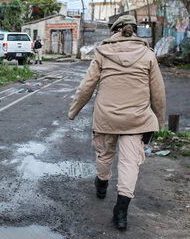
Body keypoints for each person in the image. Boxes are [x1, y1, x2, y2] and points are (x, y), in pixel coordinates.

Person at [68, 15, 166, 230]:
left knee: (104, 154)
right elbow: (158, 93)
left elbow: (87, 86)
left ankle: (102, 185)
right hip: (138, 120)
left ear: (114, 32)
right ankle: (121, 212)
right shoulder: (148, 55)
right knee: (130, 163)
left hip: (106, 118)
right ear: (135, 32)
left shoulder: (102, 53)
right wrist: (159, 121)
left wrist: (73, 111)